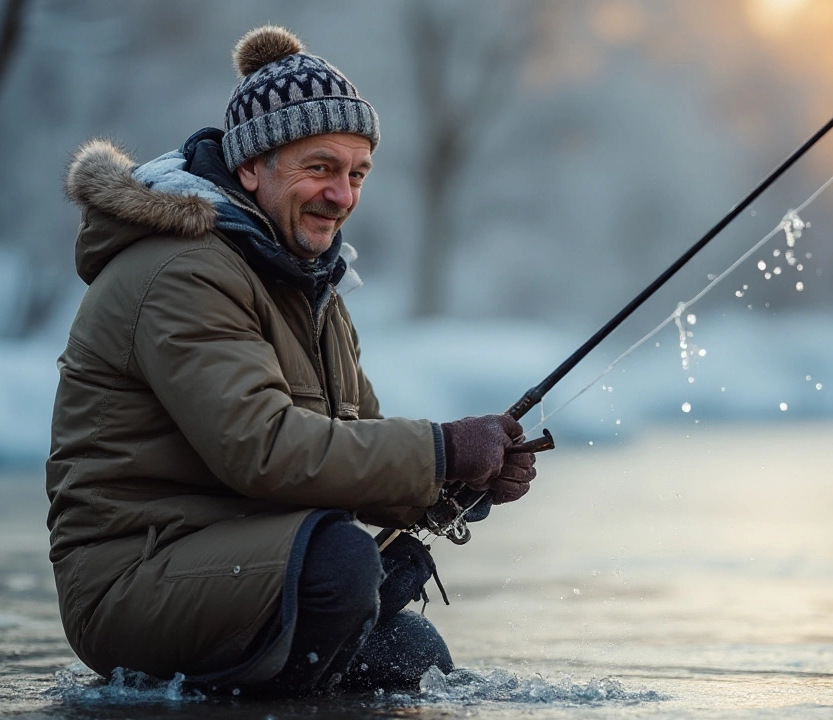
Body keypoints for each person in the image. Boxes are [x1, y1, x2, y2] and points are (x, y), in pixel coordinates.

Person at [46, 25, 537, 696]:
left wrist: (455, 486)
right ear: (251, 167)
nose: (344, 195)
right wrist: (443, 450)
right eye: (320, 168)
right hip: (132, 585)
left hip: (248, 565)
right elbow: (262, 448)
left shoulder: (304, 280)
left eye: (357, 173)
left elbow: (353, 445)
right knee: (339, 565)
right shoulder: (183, 272)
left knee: (410, 658)